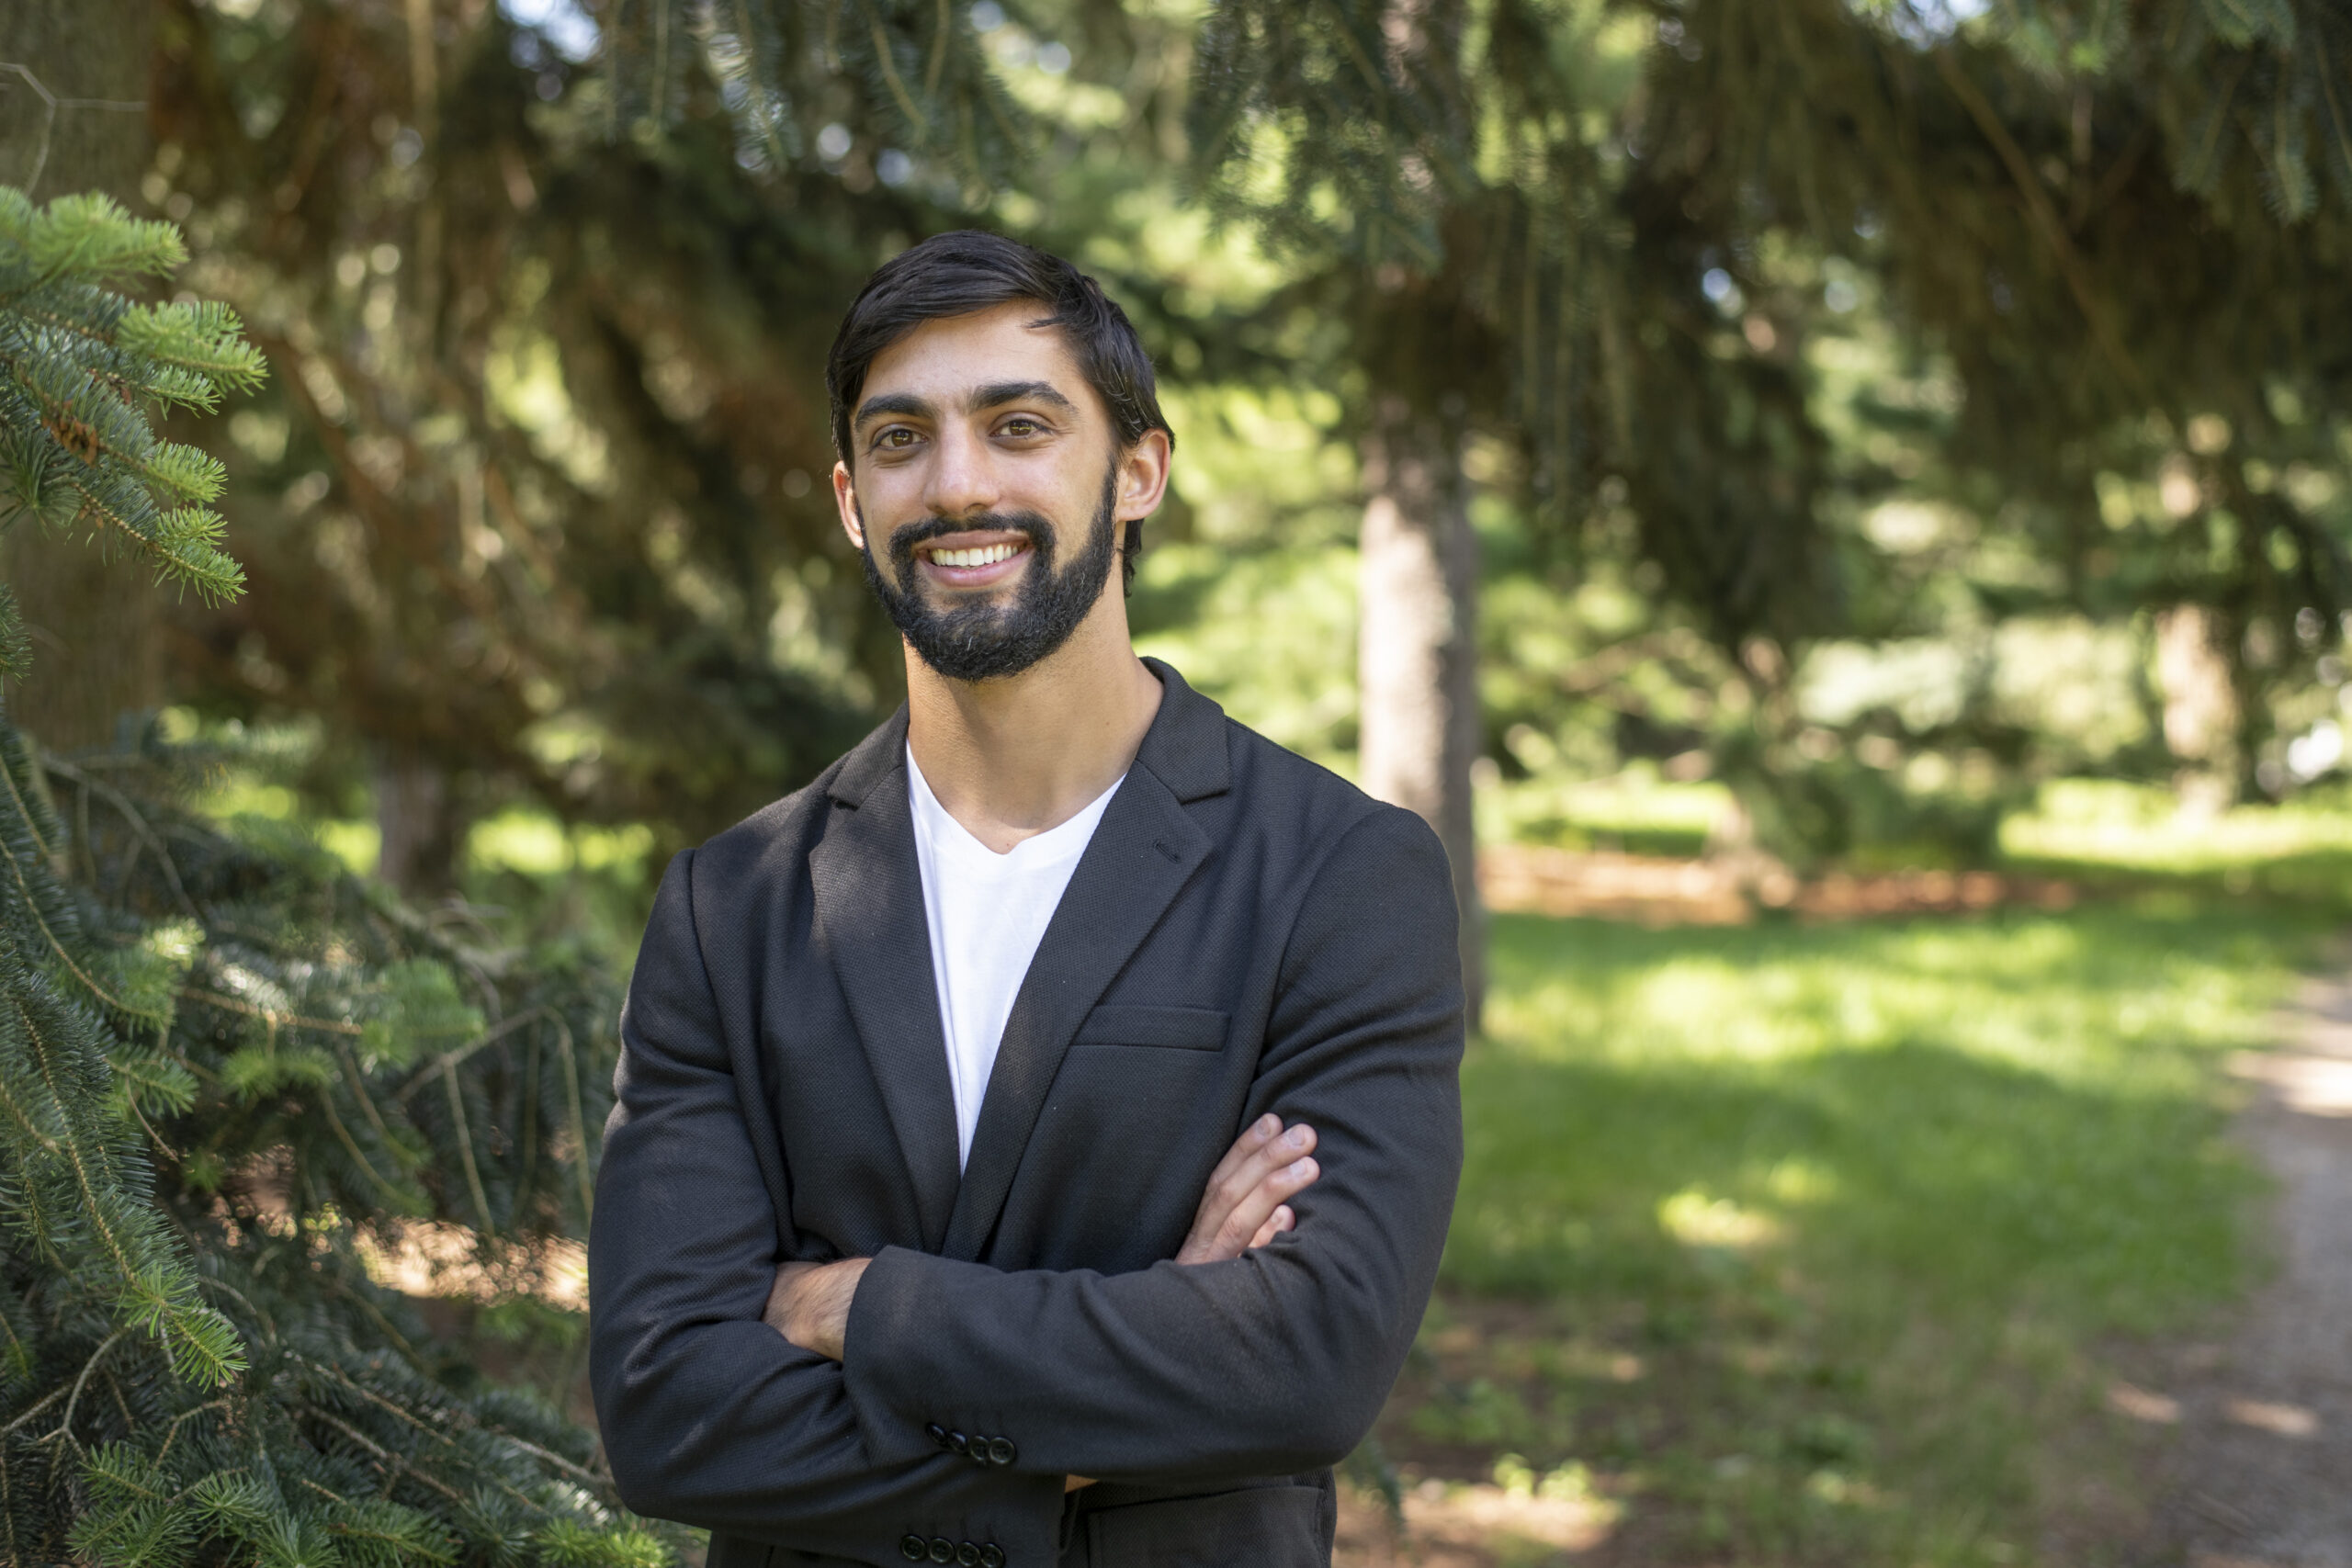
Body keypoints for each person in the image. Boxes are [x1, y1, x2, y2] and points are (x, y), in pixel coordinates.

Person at [588, 231, 1464, 1568]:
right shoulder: (734, 905)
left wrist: (856, 1305)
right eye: (900, 441)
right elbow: (665, 1411)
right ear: (848, 498)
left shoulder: (1339, 875)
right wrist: (1116, 1407)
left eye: (1019, 426)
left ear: (1137, 472)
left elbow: (1309, 1366)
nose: (957, 484)